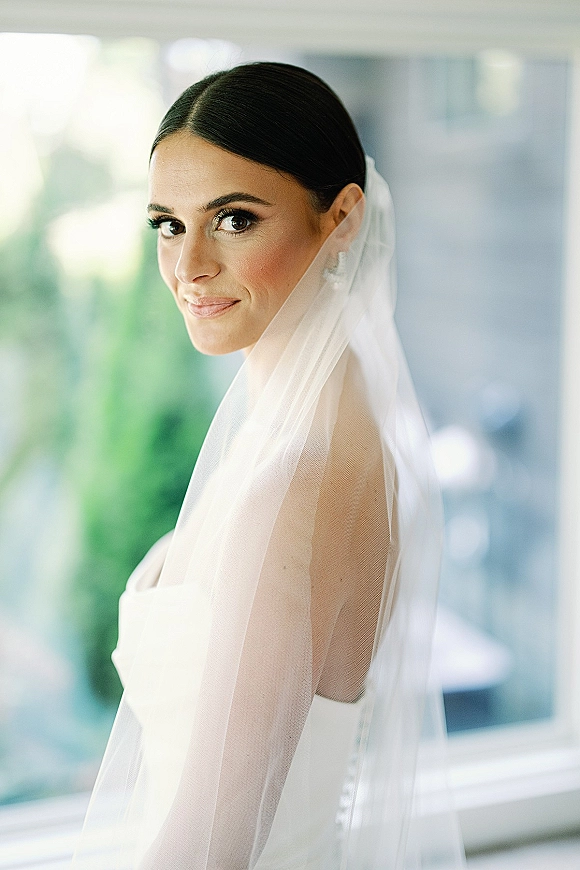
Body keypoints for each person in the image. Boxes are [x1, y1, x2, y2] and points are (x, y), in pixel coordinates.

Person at [72, 62, 464, 870]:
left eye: (235, 219)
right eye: (168, 224)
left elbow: (211, 850)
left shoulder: (294, 481)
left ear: (342, 218)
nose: (188, 266)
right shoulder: (306, 423)